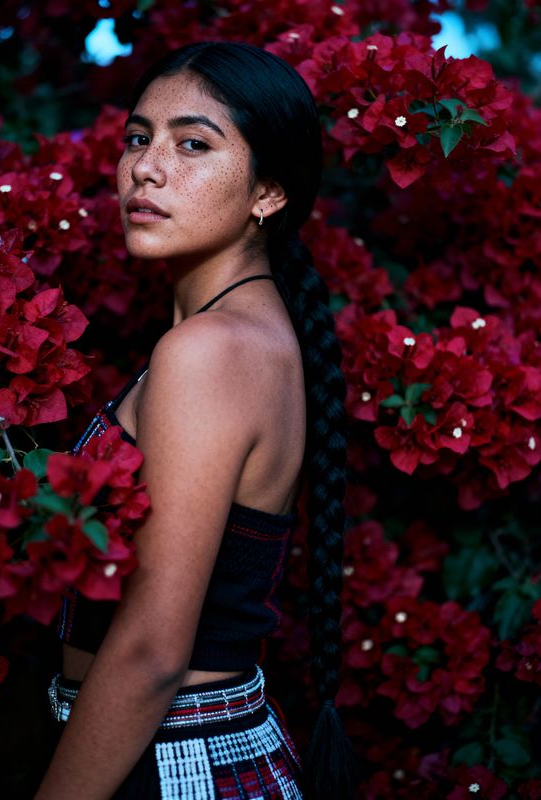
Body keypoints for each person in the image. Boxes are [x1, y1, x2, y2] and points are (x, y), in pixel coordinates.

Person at [36, 41, 359, 800]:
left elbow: (152, 652)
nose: (147, 167)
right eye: (138, 138)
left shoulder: (209, 351)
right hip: (203, 748)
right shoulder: (249, 335)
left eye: (193, 144)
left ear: (269, 192)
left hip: (173, 763)